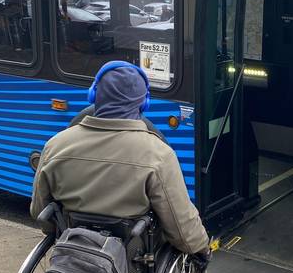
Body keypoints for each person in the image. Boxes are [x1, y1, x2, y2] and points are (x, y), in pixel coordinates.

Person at [30, 61, 210, 260]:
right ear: (144, 103)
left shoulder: (55, 145)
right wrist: (201, 248)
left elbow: (40, 212)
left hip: (72, 252)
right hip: (133, 265)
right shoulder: (158, 154)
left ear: (93, 95)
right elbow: (181, 226)